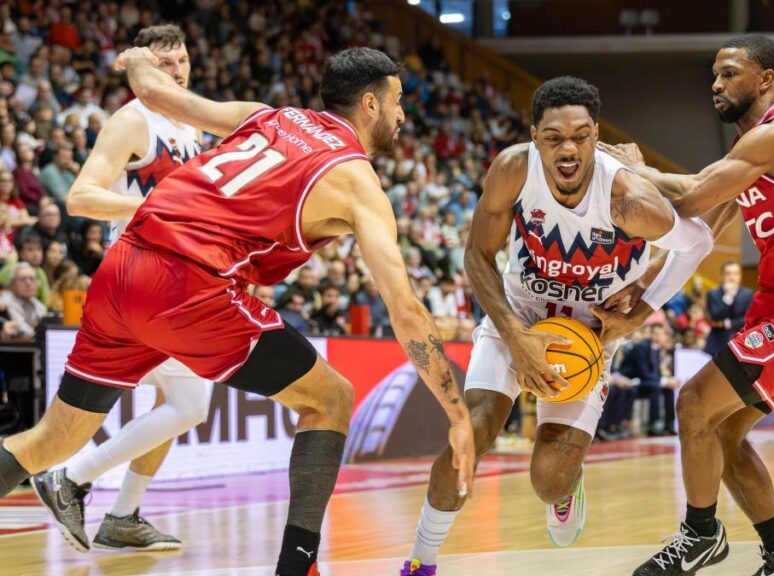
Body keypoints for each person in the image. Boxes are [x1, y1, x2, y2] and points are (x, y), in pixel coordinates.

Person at [0, 46, 476, 576]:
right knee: (331, 399)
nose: (402, 114)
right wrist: (458, 417)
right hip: (188, 286)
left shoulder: (270, 116)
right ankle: (297, 569)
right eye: (397, 102)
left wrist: (134, 58)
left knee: (47, 442)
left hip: (122, 266)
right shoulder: (356, 181)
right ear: (370, 104)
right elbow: (406, 310)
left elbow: (157, 94)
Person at [400, 76, 730, 576]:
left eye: (580, 135)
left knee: (548, 480)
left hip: (589, 331)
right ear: (535, 137)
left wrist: (642, 307)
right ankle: (421, 560)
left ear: (597, 135)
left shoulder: (629, 197)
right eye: (553, 137)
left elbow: (698, 243)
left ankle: (567, 486)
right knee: (473, 428)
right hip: (520, 313)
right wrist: (515, 335)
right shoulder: (513, 170)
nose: (568, 149)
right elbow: (477, 254)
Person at [602, 34, 774, 576]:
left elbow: (691, 195)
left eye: (729, 74)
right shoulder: (744, 158)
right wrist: (644, 294)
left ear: (765, 79)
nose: (715, 85)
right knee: (719, 430)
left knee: (693, 403)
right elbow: (696, 232)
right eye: (714, 76)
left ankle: (700, 535)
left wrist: (631, 170)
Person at [30, 25, 208, 554]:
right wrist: (155, 209)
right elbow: (81, 197)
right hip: (136, 276)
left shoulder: (192, 126)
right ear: (141, 69)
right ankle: (70, 478)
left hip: (171, 278)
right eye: (163, 63)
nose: (176, 72)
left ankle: (123, 515)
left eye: (181, 61)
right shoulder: (133, 121)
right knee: (189, 401)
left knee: (182, 399)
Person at [704, 260, 753, 355]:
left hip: (739, 341)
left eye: (735, 273)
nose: (732, 277)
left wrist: (727, 323)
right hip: (716, 342)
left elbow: (748, 318)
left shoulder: (747, 294)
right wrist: (728, 298)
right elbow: (715, 316)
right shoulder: (712, 294)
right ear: (722, 275)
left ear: (740, 276)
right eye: (728, 273)